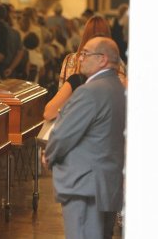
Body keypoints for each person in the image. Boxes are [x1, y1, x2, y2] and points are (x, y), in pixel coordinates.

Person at [44, 37, 126, 239]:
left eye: (85, 54)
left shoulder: (89, 92)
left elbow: (63, 135)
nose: (80, 58)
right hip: (106, 182)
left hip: (84, 186)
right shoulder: (118, 87)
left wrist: (48, 155)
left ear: (103, 59)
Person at [58, 15, 127, 89]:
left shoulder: (69, 60)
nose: (82, 59)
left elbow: (60, 90)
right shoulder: (115, 62)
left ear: (85, 34)